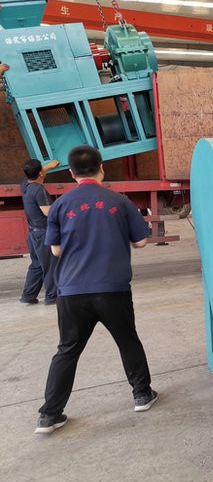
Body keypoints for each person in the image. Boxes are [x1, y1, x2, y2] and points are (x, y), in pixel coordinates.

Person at [35, 145, 157, 434]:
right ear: (102, 167)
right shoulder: (119, 201)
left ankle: (49, 415)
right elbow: (141, 242)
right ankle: (142, 395)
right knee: (127, 341)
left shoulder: (61, 205)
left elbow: (55, 250)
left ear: (71, 173)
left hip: (72, 291)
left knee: (67, 350)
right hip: (112, 288)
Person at [20, 159, 61, 305]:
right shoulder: (39, 190)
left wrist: (48, 167)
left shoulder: (25, 185)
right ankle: (52, 296)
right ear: (40, 174)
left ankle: (28, 295)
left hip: (33, 234)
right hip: (43, 234)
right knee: (51, 265)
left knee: (37, 265)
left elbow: (33, 174)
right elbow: (48, 212)